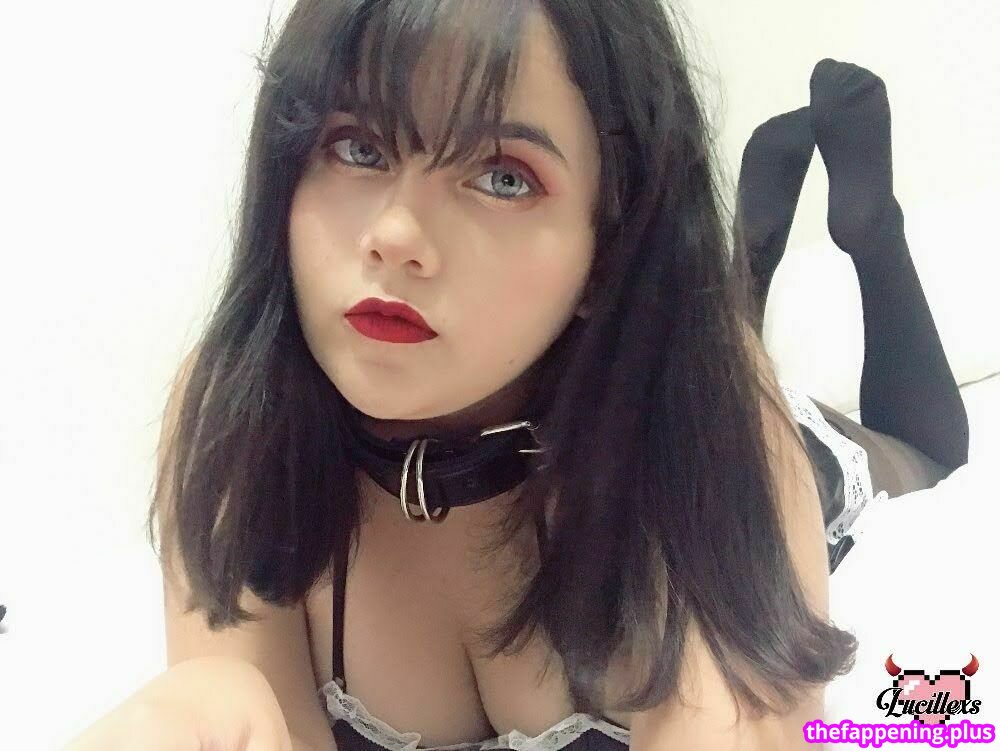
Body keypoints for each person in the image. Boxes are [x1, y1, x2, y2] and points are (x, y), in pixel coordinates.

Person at [65, 3, 968, 750]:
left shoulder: (708, 416)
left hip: (720, 415)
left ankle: (870, 235)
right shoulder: (236, 417)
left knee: (924, 450)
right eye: (358, 147)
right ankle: (747, 270)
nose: (396, 235)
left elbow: (739, 724)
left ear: (610, 244)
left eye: (502, 176)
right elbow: (245, 706)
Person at [734, 58, 969, 576]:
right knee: (934, 462)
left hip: (706, 457)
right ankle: (867, 232)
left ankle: (742, 295)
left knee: (726, 409)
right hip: (763, 486)